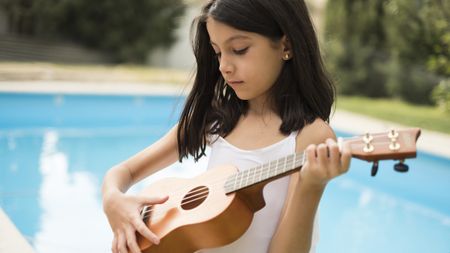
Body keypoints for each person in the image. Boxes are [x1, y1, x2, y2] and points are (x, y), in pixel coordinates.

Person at [102, 0, 352, 252]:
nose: (224, 66)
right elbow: (124, 172)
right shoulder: (217, 118)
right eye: (218, 52)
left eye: (239, 49)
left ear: (286, 45)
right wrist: (112, 199)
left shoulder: (309, 136)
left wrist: (311, 187)